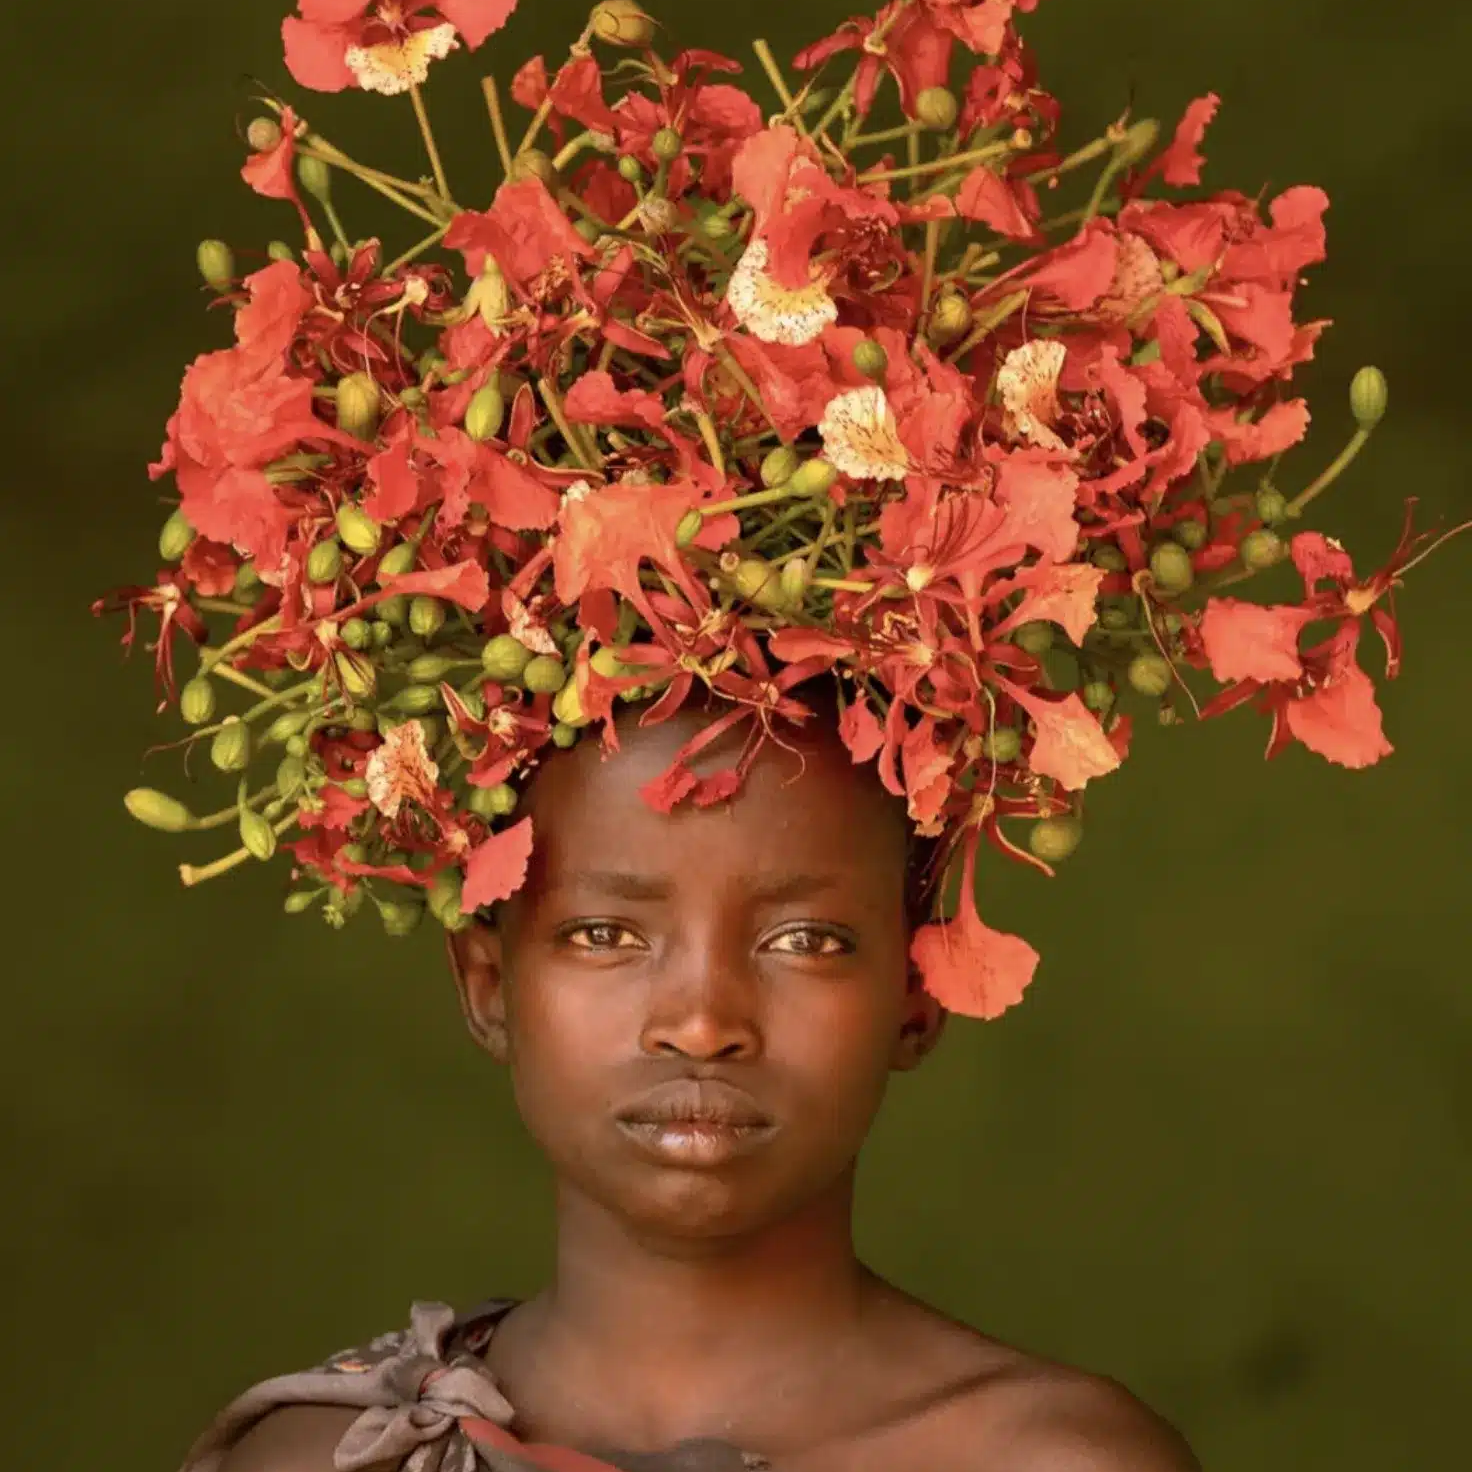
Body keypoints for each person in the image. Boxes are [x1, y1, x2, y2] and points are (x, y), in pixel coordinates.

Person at [182, 684, 1200, 1472]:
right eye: (604, 932)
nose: (701, 1022)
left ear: (916, 990)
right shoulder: (319, 1457)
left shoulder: (1053, 1460)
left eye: (804, 938)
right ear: (489, 982)